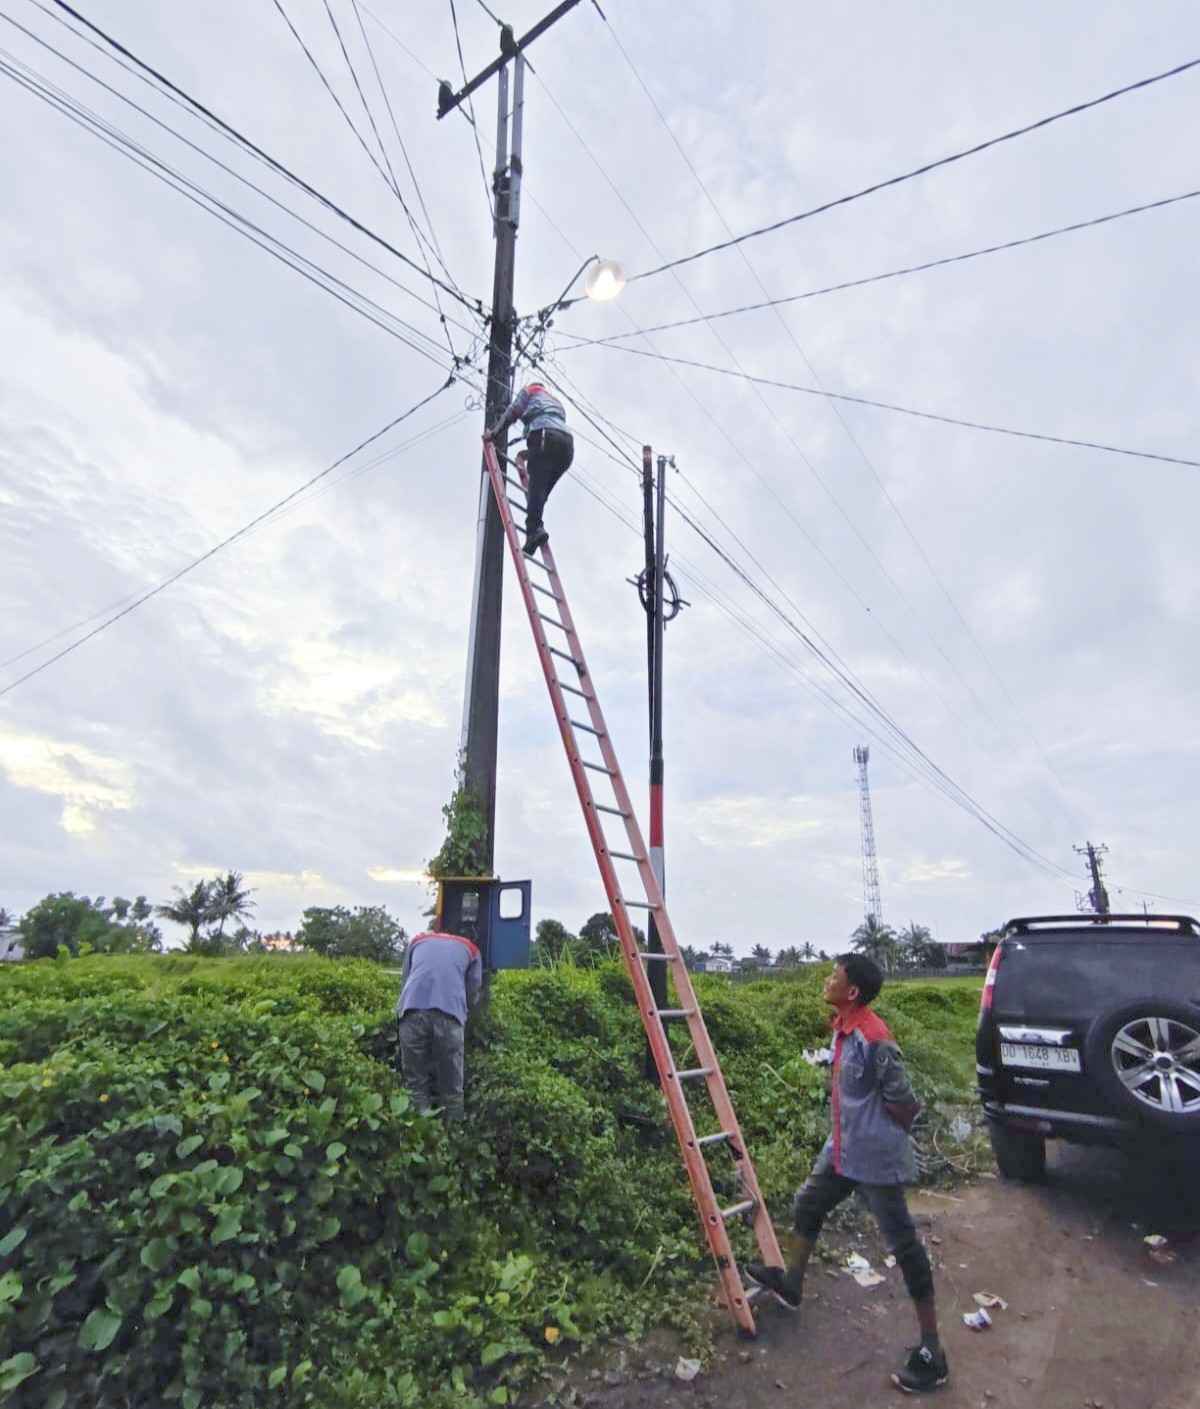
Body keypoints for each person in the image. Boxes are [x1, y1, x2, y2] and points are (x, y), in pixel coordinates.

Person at [745, 954, 948, 1395]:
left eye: (833, 975)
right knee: (808, 1203)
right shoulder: (842, 1031)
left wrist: (880, 1134)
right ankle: (792, 1283)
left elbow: (904, 1102)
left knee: (903, 1244)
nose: (826, 979)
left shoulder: (875, 1038)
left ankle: (933, 1350)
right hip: (841, 1148)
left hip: (873, 1156)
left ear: (851, 991)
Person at [395, 917, 482, 1121]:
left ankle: (420, 1133)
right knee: (452, 1085)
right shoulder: (471, 948)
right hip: (450, 1015)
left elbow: (406, 978)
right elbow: (473, 990)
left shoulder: (417, 941)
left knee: (415, 1081)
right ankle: (453, 1136)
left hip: (411, 1011)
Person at [485, 382, 574, 555]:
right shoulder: (554, 402)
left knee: (536, 490)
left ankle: (533, 531)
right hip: (567, 446)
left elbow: (513, 412)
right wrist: (529, 453)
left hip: (544, 436)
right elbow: (550, 434)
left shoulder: (529, 391)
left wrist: (494, 433)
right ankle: (536, 528)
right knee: (540, 495)